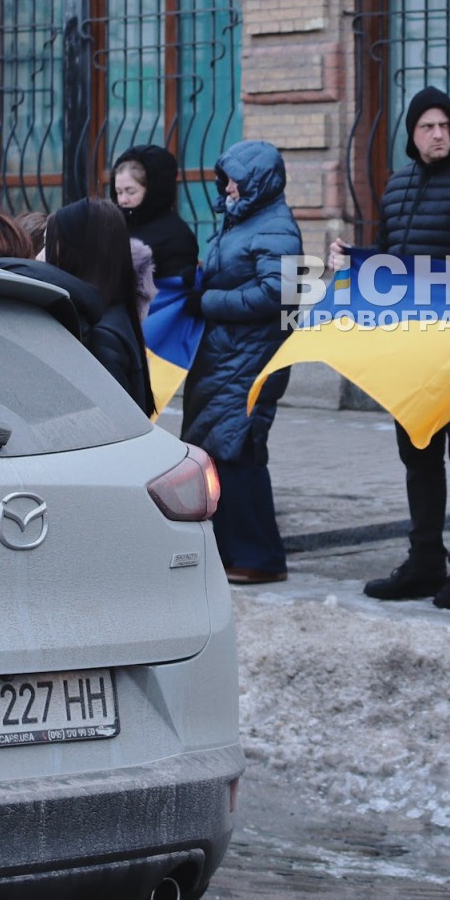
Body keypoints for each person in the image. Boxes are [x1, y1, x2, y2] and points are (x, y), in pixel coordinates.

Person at [328, 87, 450, 610]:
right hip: (410, 350)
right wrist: (355, 260)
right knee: (418, 455)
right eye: (425, 127)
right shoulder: (399, 185)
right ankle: (424, 561)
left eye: (444, 125)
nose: (437, 134)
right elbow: (393, 266)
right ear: (411, 135)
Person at [183, 140, 301, 585]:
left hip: (253, 357)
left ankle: (261, 557)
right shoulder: (240, 223)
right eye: (226, 177)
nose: (227, 185)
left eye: (235, 177)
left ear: (258, 182)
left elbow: (282, 295)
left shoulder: (279, 228)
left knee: (240, 450)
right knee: (216, 450)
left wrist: (208, 300)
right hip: (225, 355)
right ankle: (231, 552)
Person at [0, 200, 152, 414]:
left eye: (48, 243)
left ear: (74, 251)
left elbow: (111, 420)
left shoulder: (98, 330)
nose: (40, 256)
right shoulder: (101, 312)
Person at [111, 144, 201, 282]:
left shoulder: (176, 236)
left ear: (153, 190)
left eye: (131, 192)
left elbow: (174, 293)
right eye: (118, 192)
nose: (123, 200)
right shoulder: (115, 226)